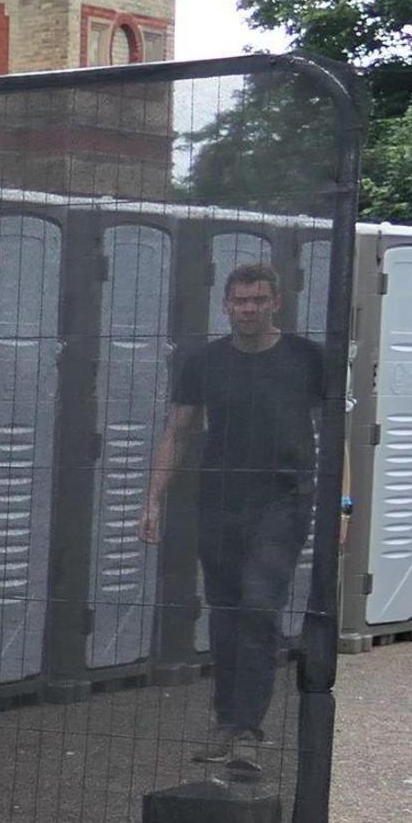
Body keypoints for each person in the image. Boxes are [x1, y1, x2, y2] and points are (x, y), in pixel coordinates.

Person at [142, 261, 330, 774]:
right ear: (225, 305)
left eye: (258, 300)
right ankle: (227, 722)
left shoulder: (307, 359)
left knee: (259, 606)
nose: (248, 309)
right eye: (239, 301)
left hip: (284, 500)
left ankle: (248, 729)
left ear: (276, 304)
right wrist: (153, 498)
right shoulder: (205, 362)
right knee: (224, 611)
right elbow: (177, 432)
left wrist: (346, 503)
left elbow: (339, 433)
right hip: (220, 500)